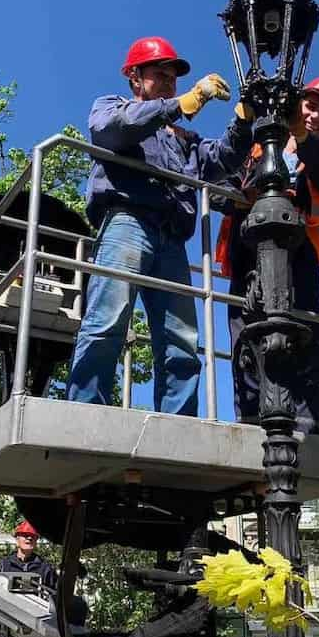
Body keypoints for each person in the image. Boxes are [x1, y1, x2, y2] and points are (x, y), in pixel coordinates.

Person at [66, 36, 253, 415]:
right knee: (107, 321)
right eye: (159, 74)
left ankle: (178, 421)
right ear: (134, 77)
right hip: (127, 223)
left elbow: (223, 159)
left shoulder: (185, 140)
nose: (169, 82)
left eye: (174, 79)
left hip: (172, 240)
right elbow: (111, 131)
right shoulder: (112, 107)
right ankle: (85, 411)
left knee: (181, 339)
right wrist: (178, 107)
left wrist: (243, 120)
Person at [215, 77, 319, 435]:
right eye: (311, 106)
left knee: (304, 328)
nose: (316, 116)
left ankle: (308, 418)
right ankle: (249, 414)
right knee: (246, 329)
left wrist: (301, 142)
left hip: (298, 251)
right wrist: (239, 194)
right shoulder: (256, 152)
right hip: (249, 248)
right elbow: (219, 190)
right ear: (296, 106)